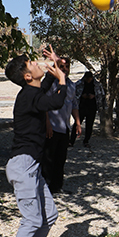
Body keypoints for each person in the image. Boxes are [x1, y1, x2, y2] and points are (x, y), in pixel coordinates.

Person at [0, 46, 67, 237]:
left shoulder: (32, 92)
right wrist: (62, 79)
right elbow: (56, 100)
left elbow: (45, 91)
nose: (37, 63)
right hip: (22, 166)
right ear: (27, 76)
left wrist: (54, 65)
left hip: (31, 166)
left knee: (49, 215)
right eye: (32, 63)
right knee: (33, 219)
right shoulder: (27, 96)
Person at [43, 57, 80, 195]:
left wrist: (77, 122)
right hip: (52, 126)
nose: (64, 69)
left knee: (61, 158)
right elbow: (44, 104)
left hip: (64, 127)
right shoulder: (51, 84)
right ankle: (45, 188)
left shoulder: (71, 85)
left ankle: (57, 187)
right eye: (61, 66)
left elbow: (73, 104)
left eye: (66, 66)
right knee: (48, 159)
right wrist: (47, 123)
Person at [72, 71, 105, 148]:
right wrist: (82, 96)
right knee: (77, 124)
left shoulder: (97, 85)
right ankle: (71, 140)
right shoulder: (79, 84)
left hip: (92, 107)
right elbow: (74, 94)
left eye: (89, 78)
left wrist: (94, 97)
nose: (88, 80)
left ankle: (86, 141)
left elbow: (101, 96)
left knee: (89, 125)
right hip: (81, 107)